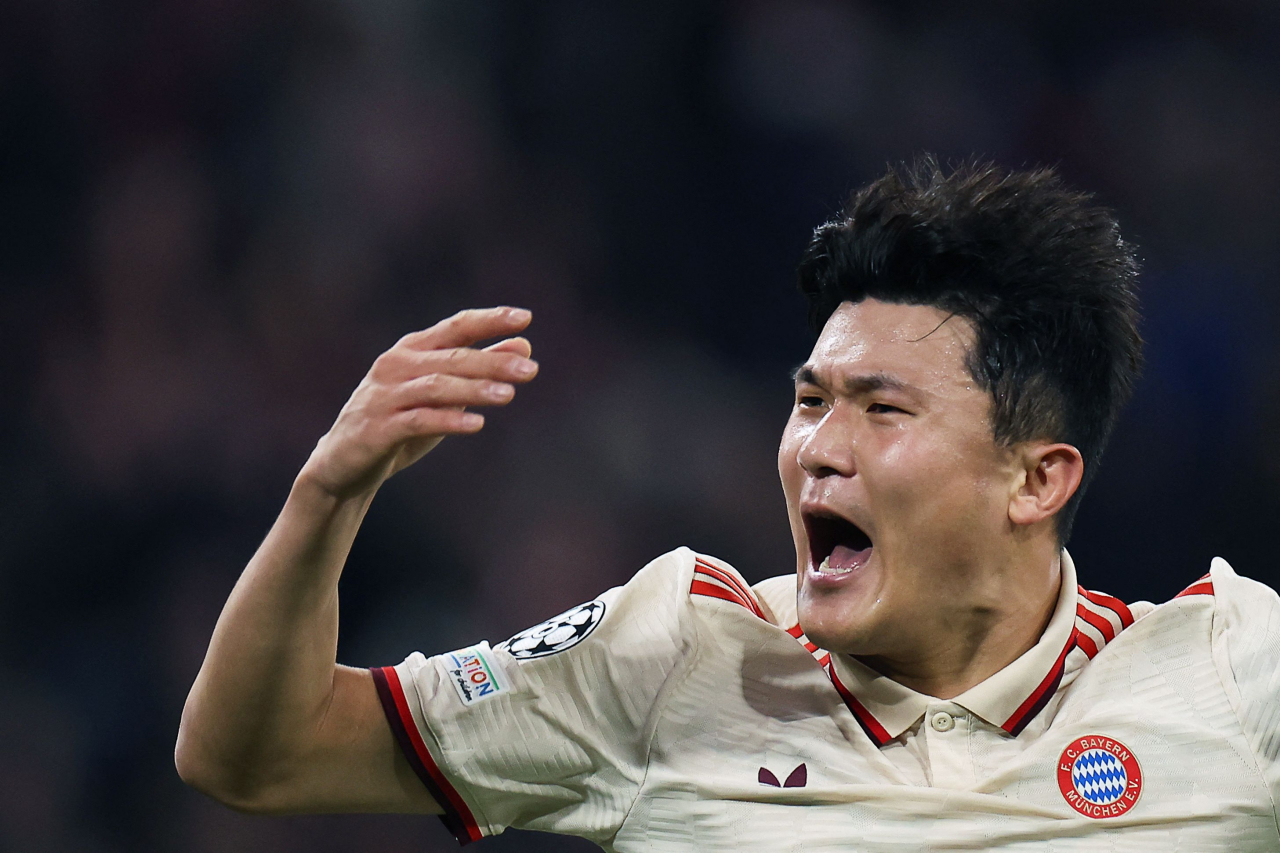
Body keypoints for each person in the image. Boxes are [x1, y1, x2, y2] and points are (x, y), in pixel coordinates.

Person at [176, 159, 1280, 850]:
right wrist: (325, 495)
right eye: (808, 400)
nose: (816, 450)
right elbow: (254, 753)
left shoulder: (1233, 674)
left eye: (879, 410)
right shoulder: (672, 659)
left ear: (1035, 479)